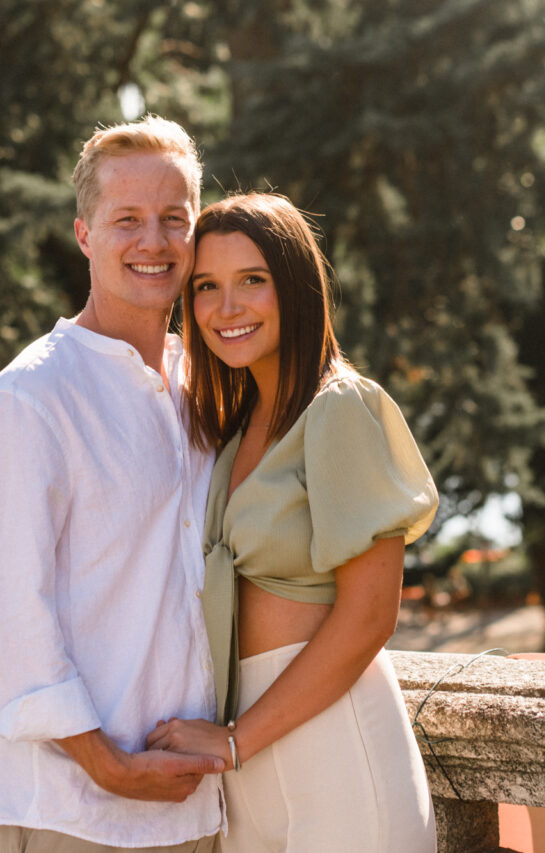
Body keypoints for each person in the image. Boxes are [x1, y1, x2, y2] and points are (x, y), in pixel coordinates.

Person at [0, 116, 225, 853]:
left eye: (175, 219)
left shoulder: (203, 389)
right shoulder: (30, 399)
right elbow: (2, 615)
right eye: (127, 220)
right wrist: (111, 767)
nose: (154, 242)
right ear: (84, 233)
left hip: (202, 808)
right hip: (79, 813)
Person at [147, 192, 439, 851]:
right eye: (206, 287)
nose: (227, 308)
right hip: (251, 763)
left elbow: (370, 615)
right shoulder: (237, 431)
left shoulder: (337, 409)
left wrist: (234, 740)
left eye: (253, 280)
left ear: (297, 286)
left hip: (334, 750)